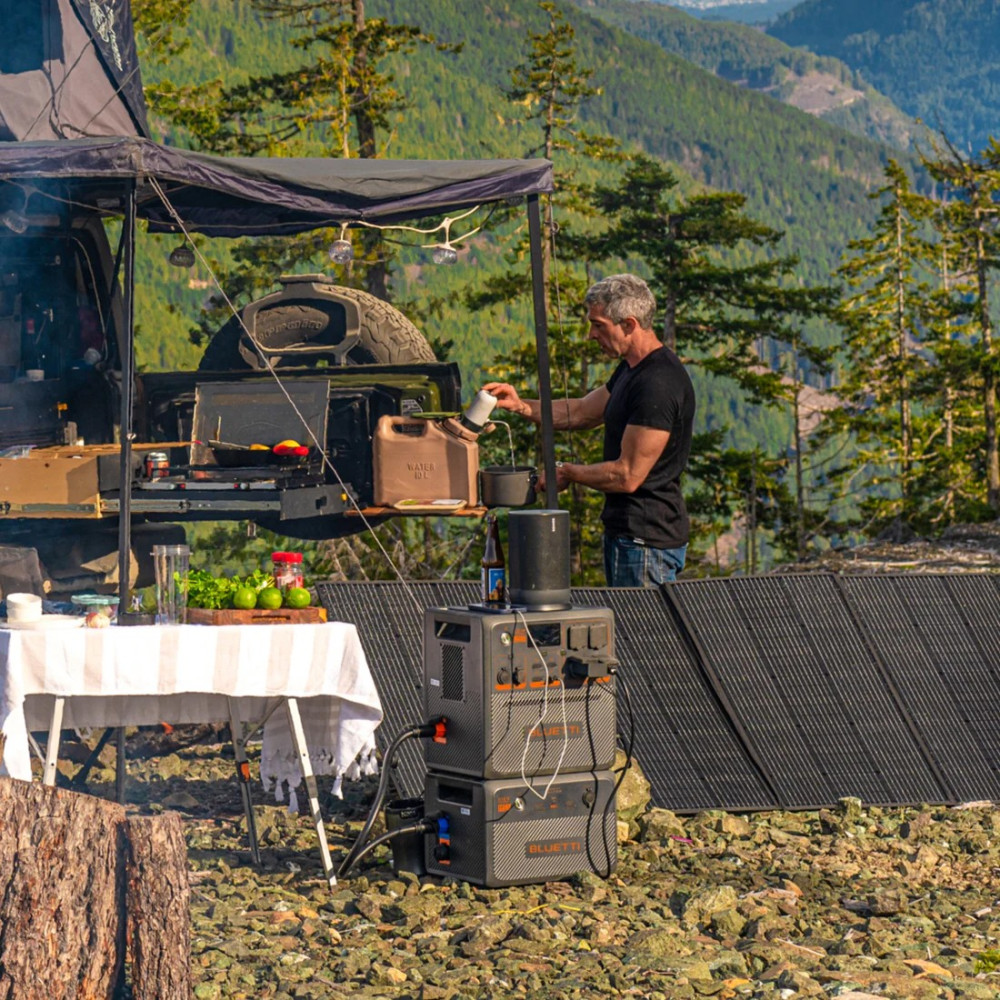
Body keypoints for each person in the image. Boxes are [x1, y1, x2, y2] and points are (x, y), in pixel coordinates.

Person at [484, 273, 695, 587]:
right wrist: (521, 405)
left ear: (629, 324)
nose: (591, 335)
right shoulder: (631, 369)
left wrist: (567, 472)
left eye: (598, 325)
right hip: (628, 537)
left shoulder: (657, 383)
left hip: (646, 542)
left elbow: (627, 475)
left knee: (641, 622)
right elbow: (583, 412)